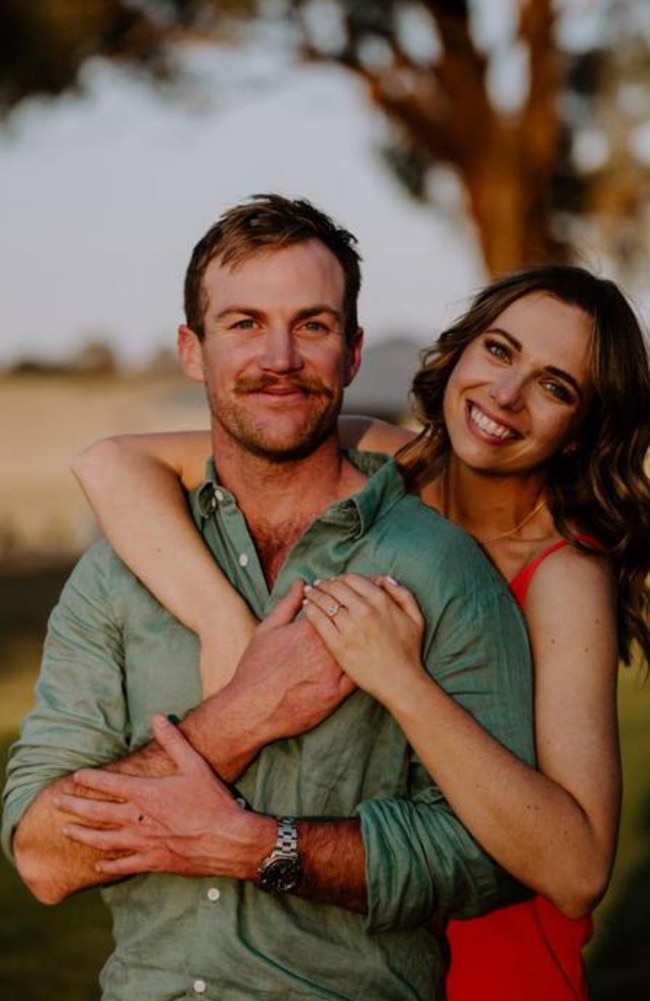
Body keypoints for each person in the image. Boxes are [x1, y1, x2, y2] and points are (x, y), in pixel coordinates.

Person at [2, 194, 536, 1001]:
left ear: (352, 353)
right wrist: (244, 714)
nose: (279, 356)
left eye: (312, 325)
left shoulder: (440, 567)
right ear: (193, 349)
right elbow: (43, 856)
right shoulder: (119, 572)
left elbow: (492, 856)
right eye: (245, 322)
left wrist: (261, 846)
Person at [68, 263, 650, 1000]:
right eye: (500, 351)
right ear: (463, 350)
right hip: (356, 951)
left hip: (493, 966)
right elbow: (112, 462)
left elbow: (577, 871)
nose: (506, 395)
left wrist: (402, 680)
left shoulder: (564, 576)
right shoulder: (378, 461)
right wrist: (224, 623)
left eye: (555, 385)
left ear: (583, 429)